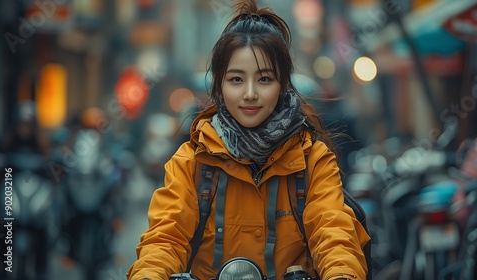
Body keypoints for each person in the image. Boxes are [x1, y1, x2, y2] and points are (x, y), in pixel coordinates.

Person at [127, 0, 370, 279]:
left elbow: (334, 236)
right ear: (219, 85)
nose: (251, 93)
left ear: (282, 85)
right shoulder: (190, 162)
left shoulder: (313, 159)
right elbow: (165, 240)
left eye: (264, 79)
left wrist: (342, 274)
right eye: (236, 80)